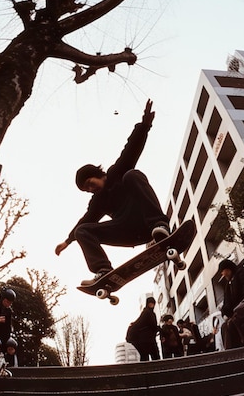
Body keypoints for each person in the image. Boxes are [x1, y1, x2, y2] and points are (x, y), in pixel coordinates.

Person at [54, 100, 170, 285]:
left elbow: (131, 149)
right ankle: (103, 270)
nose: (92, 190)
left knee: (132, 175)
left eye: (91, 184)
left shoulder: (117, 172)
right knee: (82, 231)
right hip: (126, 231)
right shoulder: (98, 201)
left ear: (98, 174)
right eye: (87, 190)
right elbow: (85, 220)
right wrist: (68, 241)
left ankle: (161, 225)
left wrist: (145, 125)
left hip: (147, 222)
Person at [128, 296, 161, 361]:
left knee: (148, 355)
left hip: (149, 338)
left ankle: (150, 368)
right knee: (150, 355)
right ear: (147, 304)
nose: (151, 305)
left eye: (153, 303)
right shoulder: (146, 312)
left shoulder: (151, 313)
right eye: (150, 303)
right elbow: (141, 322)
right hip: (146, 338)